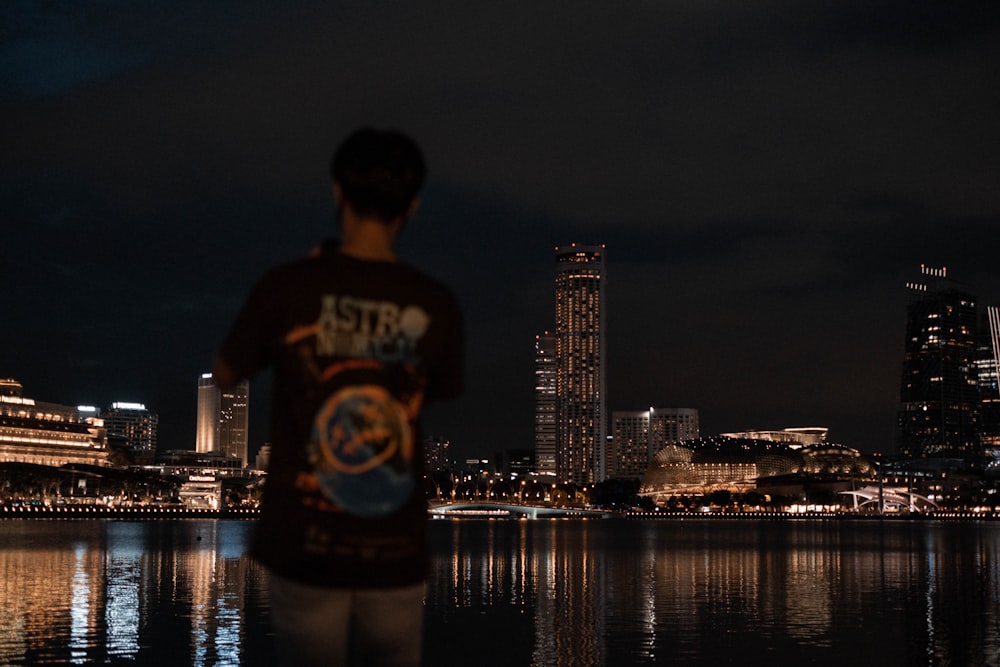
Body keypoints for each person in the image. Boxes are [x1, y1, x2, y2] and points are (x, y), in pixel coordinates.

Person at [213, 128, 463, 667]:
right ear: (411, 207)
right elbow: (439, 390)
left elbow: (225, 375)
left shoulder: (288, 286)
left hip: (304, 542)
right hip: (395, 543)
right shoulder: (435, 301)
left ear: (337, 194)